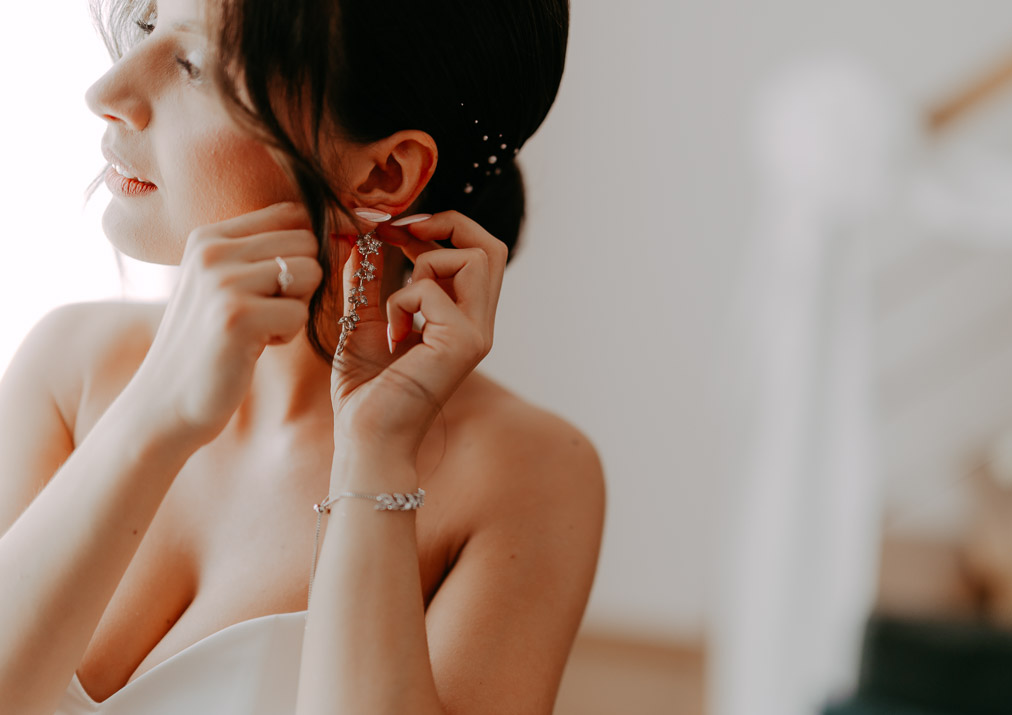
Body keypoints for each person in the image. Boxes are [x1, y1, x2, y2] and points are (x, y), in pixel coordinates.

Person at [0, 0, 605, 712]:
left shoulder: (527, 476)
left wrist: (374, 455)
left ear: (384, 175)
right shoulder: (68, 367)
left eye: (193, 65)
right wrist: (155, 411)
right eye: (146, 24)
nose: (107, 92)